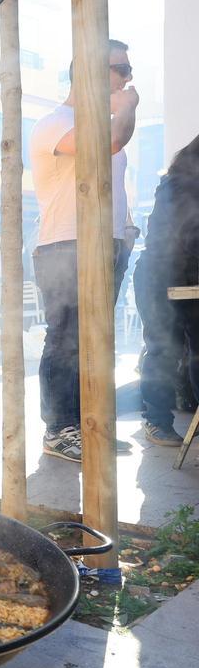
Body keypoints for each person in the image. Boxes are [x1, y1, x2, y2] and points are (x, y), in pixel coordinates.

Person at [30, 39, 139, 463]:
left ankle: (90, 428)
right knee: (66, 339)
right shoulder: (57, 121)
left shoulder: (104, 124)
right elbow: (109, 141)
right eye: (121, 68)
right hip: (65, 245)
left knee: (97, 342)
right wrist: (129, 106)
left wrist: (125, 234)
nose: (128, 78)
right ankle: (59, 429)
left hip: (107, 244)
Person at [134, 133, 199, 446]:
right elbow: (191, 237)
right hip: (160, 279)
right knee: (163, 350)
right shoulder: (178, 186)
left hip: (190, 282)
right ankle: (156, 421)